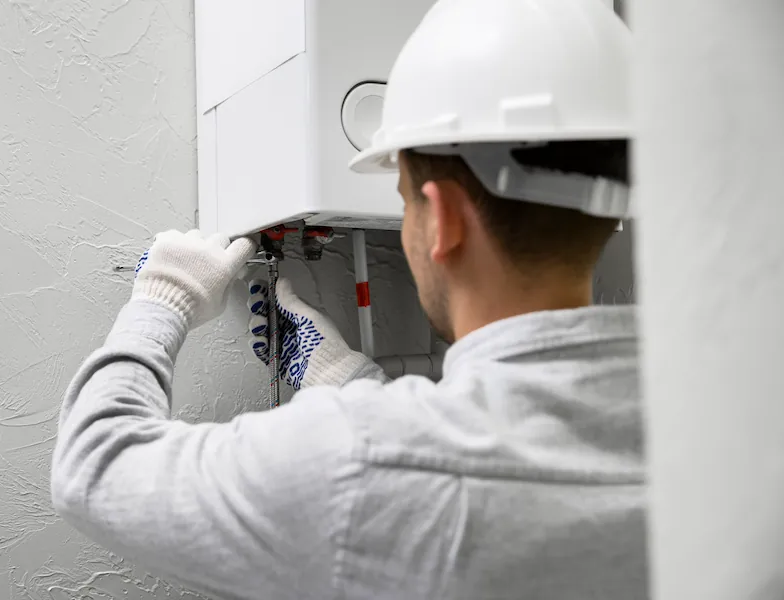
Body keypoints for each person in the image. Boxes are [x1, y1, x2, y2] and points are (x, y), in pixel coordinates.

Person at [51, 0, 647, 598]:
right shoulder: (708, 416)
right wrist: (348, 381)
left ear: (441, 218)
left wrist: (164, 298)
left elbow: (96, 465)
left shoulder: (352, 459)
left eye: (406, 199)